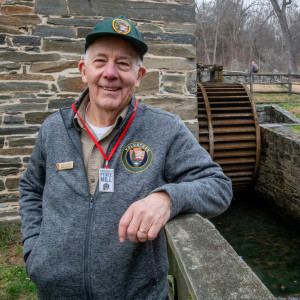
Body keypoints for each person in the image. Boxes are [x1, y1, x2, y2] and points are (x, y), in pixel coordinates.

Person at [19, 15, 232, 300]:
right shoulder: (53, 128)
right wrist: (35, 250)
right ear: (84, 71)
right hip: (55, 292)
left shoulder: (164, 129)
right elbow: (31, 189)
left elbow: (218, 186)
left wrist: (166, 199)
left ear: (139, 76)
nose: (110, 73)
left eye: (123, 63)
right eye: (100, 61)